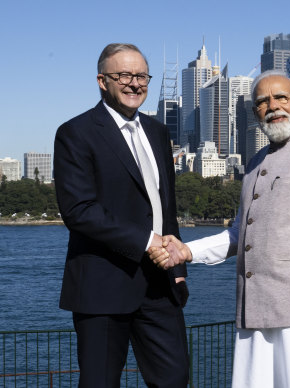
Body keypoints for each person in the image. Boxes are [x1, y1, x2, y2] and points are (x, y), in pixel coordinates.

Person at [150, 70, 290, 388]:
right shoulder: (254, 163)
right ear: (254, 113)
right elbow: (240, 234)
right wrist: (187, 251)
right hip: (254, 316)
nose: (273, 106)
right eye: (263, 101)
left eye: (281, 97)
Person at [54, 43, 189, 387]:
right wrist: (148, 242)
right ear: (103, 81)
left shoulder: (159, 132)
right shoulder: (75, 133)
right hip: (103, 286)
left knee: (174, 380)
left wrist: (178, 269)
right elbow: (79, 211)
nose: (135, 83)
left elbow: (166, 207)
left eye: (141, 75)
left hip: (161, 284)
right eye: (124, 75)